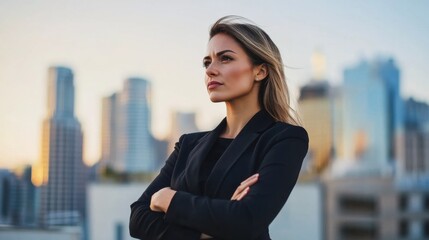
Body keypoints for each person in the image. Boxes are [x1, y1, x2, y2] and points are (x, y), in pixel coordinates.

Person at [129, 15, 309, 240]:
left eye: (225, 59)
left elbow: (246, 220)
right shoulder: (188, 144)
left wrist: (169, 199)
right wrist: (213, 229)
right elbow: (137, 219)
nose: (210, 70)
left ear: (260, 71)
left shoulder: (285, 139)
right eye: (207, 62)